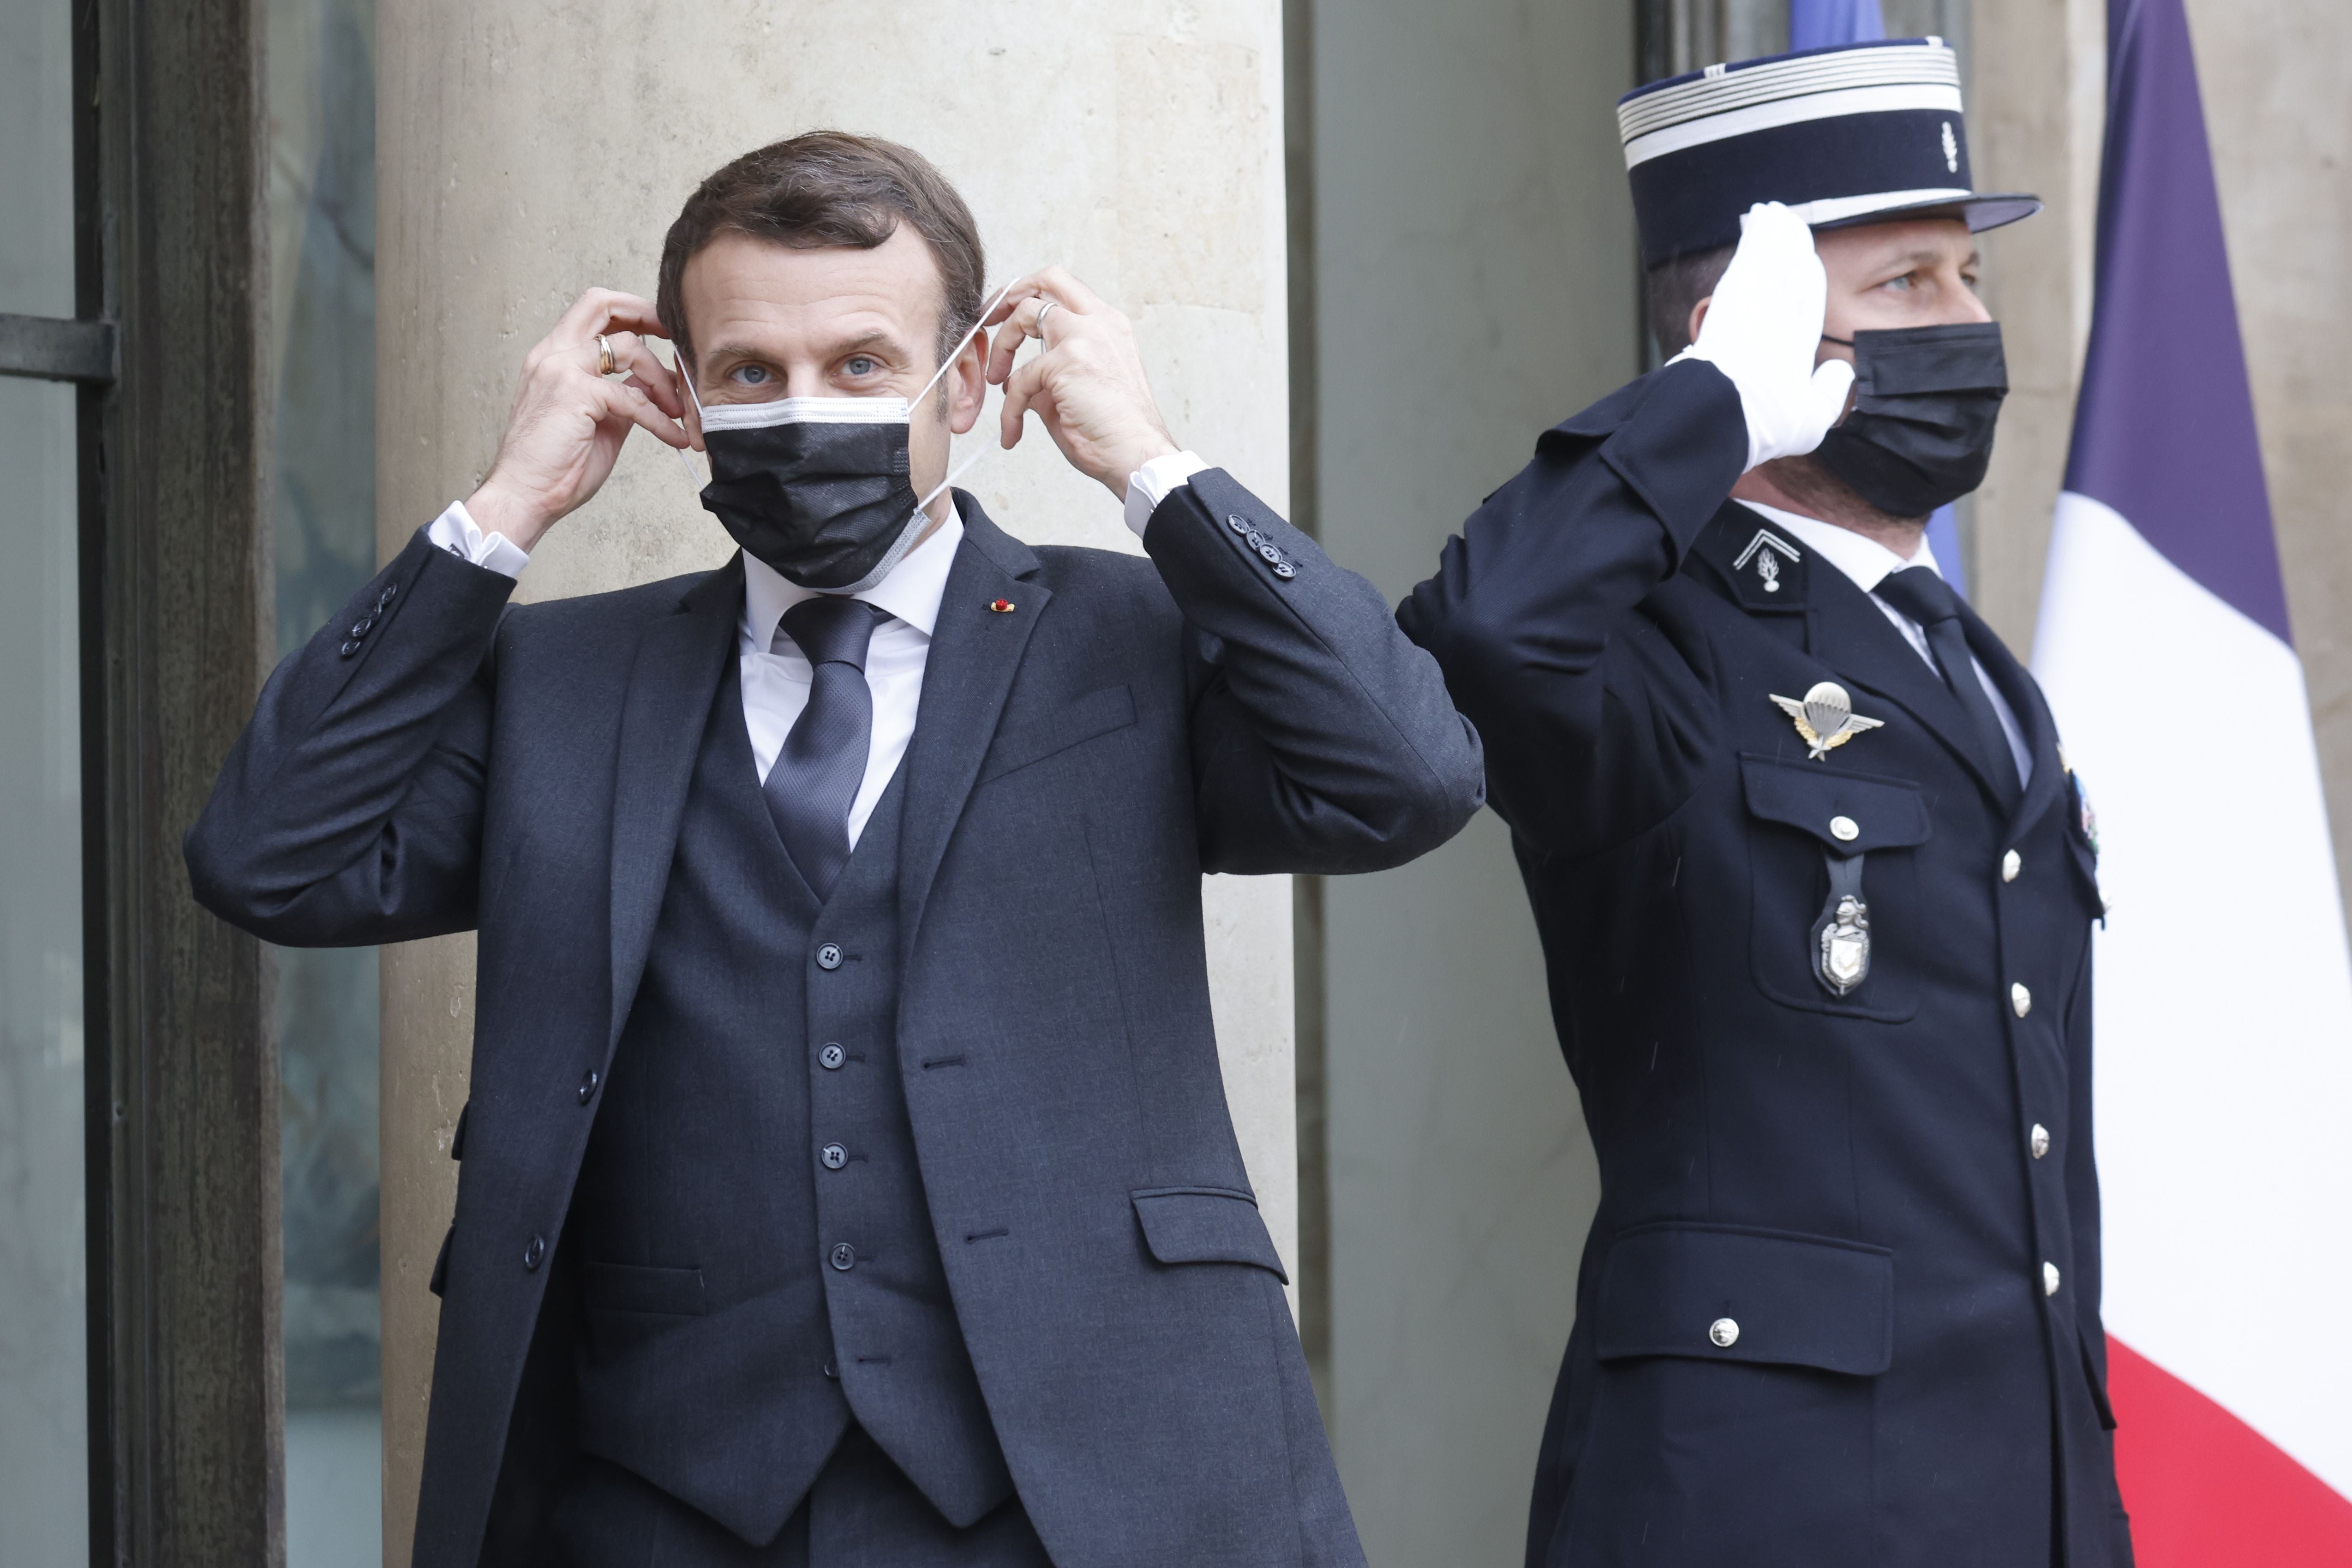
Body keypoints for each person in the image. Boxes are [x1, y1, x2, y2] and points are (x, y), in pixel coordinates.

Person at [187, 131, 1482, 1568]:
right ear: (678, 391)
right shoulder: (563, 682)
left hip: (1083, 1488)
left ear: (972, 377)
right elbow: (269, 856)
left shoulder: (1131, 641)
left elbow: (1409, 777)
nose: (804, 411)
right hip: (663, 1499)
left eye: (861, 365)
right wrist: (499, 515)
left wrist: (1153, 469)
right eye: (751, 372)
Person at [1396, 38, 2131, 1568]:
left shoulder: (1964, 661)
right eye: (1907, 287)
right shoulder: (1658, 641)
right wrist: (1706, 407)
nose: (1967, 325)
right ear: (1758, 335)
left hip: (2023, 1490)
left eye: (1966, 279)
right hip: (1755, 1499)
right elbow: (1485, 632)